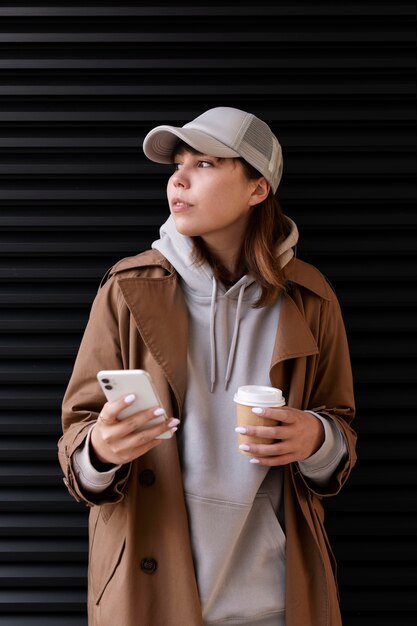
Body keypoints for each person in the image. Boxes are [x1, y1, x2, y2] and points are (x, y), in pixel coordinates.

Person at [58, 106, 357, 626]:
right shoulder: (128, 288)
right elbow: (76, 438)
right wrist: (102, 450)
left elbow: (340, 430)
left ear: (256, 189)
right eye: (177, 163)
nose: (179, 177)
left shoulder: (311, 298)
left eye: (205, 163)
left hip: (276, 601)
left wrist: (316, 438)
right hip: (148, 597)